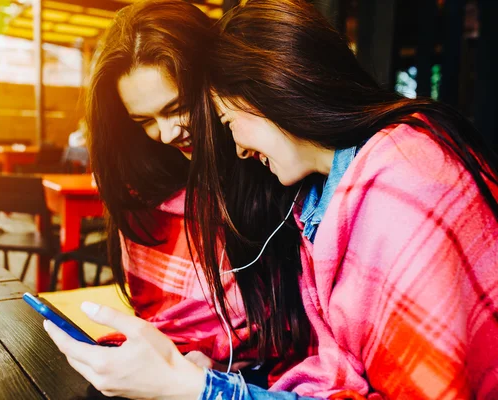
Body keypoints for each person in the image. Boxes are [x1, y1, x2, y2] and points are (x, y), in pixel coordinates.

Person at [46, 0, 498, 399]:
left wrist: (199, 391)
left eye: (223, 119)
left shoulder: (398, 180)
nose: (166, 135)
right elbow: (340, 363)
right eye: (145, 120)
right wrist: (205, 373)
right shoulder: (322, 196)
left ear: (268, 90)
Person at [46, 0, 307, 388]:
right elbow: (157, 319)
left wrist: (208, 372)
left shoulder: (279, 172)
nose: (167, 135)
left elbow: (301, 337)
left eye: (179, 108)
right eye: (144, 120)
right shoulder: (143, 190)